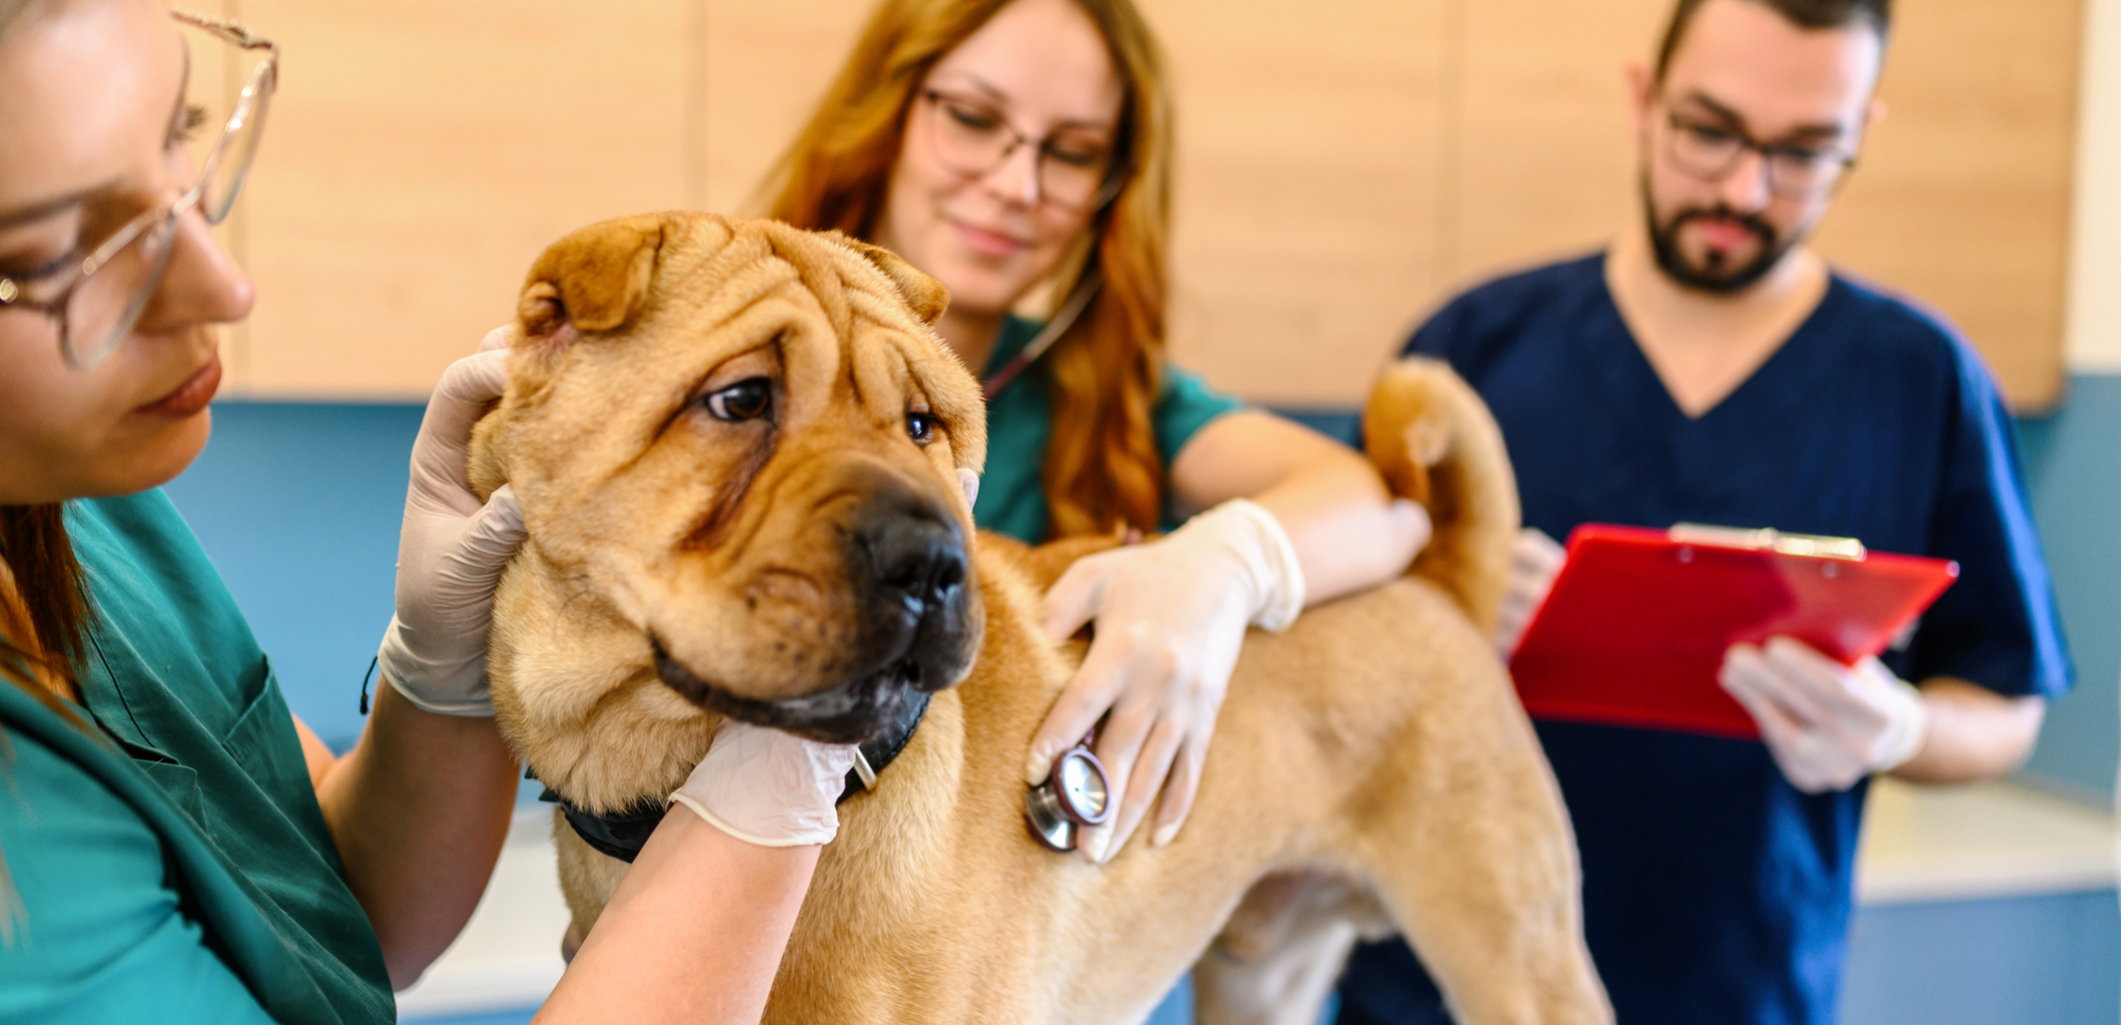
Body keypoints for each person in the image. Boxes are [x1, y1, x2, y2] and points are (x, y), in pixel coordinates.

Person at [0, 1, 859, 1021]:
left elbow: (332, 904)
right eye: (74, 252)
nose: (226, 287)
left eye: (179, 139)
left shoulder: (81, 515)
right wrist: (780, 768)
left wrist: (442, 667)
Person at [1334, 1, 2072, 1023]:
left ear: (1861, 133)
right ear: (1644, 99)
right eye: (1708, 131)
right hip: (1436, 984)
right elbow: (1329, 644)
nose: (1742, 189)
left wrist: (1897, 729)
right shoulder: (1471, 352)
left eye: (1803, 152)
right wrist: (1437, 614)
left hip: (1742, 987)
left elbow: (2004, 707)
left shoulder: (1921, 380)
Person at [763, 0, 1431, 871]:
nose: (1017, 184)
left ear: (1110, 190)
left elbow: (1380, 506)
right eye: (972, 119)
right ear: (885, 114)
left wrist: (1225, 565)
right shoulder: (729, 353)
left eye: (1072, 153)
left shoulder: (1107, 398)